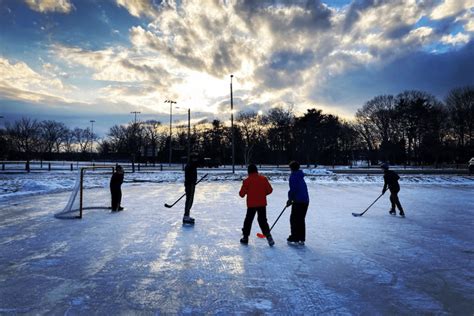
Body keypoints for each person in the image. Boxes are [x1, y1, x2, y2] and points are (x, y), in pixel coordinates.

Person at [239, 164, 274, 246]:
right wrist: (262, 194)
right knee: (262, 220)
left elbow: (241, 194)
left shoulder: (247, 181)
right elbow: (270, 190)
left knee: (248, 220)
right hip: (262, 204)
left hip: (251, 205)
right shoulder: (263, 179)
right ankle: (269, 236)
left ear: (248, 171)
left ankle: (245, 237)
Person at [286, 161, 309, 246]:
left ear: (291, 168)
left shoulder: (293, 176)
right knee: (301, 219)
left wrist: (290, 200)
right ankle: (301, 238)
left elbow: (293, 190)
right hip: (305, 201)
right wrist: (291, 200)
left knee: (294, 219)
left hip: (299, 201)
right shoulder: (300, 175)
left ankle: (295, 237)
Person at [183, 153, 199, 224]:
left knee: (190, 200)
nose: (196, 159)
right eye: (195, 158)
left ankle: (187, 215)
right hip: (190, 185)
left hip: (191, 184)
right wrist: (192, 182)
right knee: (189, 200)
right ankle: (186, 216)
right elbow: (189, 176)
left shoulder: (192, 165)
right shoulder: (190, 165)